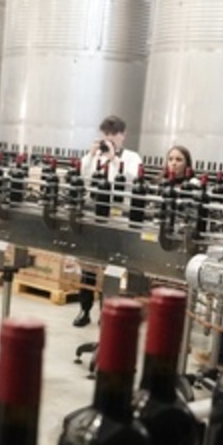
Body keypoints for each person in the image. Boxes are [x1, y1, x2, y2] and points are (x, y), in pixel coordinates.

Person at [72, 114, 143, 327]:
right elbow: (83, 179)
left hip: (118, 215)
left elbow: (133, 180)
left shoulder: (131, 157)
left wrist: (114, 159)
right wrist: (91, 156)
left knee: (112, 267)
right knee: (89, 264)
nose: (110, 138)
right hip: (94, 213)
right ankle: (84, 309)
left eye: (115, 134)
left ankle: (107, 312)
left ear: (124, 136)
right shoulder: (96, 156)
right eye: (107, 134)